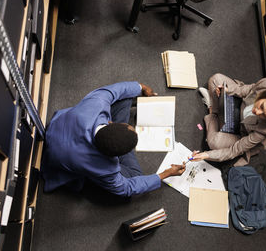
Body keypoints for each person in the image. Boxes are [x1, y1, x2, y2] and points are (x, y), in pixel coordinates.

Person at [41, 81, 186, 197]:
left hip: (59, 128)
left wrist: (141, 87)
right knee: (135, 176)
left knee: (125, 96)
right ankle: (123, 144)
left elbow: (115, 90)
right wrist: (165, 174)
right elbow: (126, 188)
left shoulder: (96, 104)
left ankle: (122, 141)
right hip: (57, 161)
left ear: (109, 123)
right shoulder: (106, 168)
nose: (131, 126)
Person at [192, 73, 266, 166]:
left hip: (241, 129)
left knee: (214, 142)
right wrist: (228, 91)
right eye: (262, 106)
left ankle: (212, 110)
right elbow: (248, 90)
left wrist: (206, 155)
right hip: (238, 105)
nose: (257, 112)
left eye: (265, 115)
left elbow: (235, 150)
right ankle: (215, 112)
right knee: (216, 79)